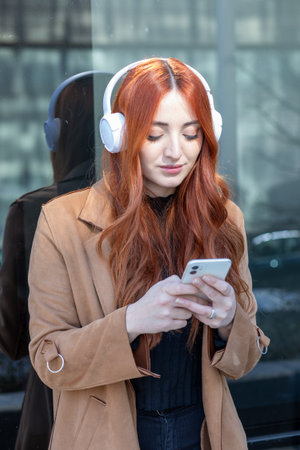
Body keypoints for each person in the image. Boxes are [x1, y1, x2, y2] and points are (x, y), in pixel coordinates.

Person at [28, 57, 270, 450]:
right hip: (107, 436)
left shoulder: (223, 219)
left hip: (205, 431)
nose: (176, 152)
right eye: (155, 135)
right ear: (119, 136)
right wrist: (131, 322)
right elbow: (47, 358)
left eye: (191, 134)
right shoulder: (62, 223)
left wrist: (229, 323)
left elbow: (244, 361)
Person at [0, 70, 112, 450]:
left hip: (57, 400)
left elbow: (15, 339)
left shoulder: (34, 211)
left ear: (57, 135)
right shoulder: (151, 205)